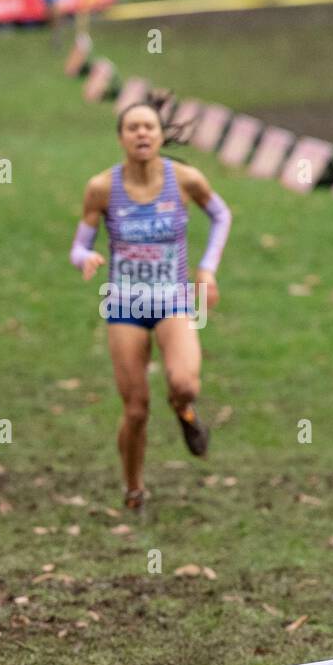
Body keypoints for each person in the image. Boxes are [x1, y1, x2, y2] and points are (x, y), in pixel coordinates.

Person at [70, 102, 232, 512]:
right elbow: (78, 244)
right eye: (132, 128)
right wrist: (84, 259)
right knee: (137, 409)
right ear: (121, 137)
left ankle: (185, 412)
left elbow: (221, 215)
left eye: (149, 127)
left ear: (160, 135)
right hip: (125, 304)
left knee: (185, 384)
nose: (141, 134)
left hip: (174, 300)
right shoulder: (103, 187)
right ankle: (134, 488)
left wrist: (208, 269)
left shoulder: (186, 180)